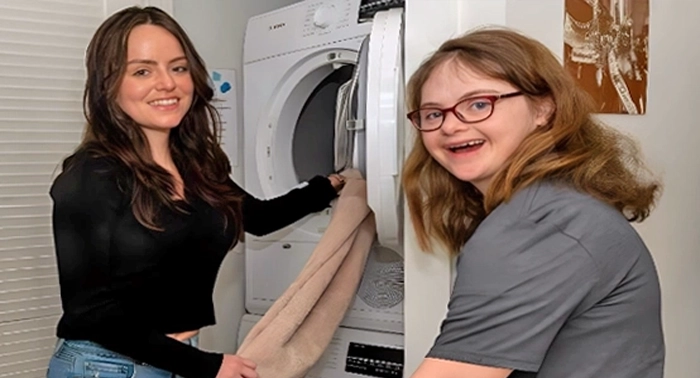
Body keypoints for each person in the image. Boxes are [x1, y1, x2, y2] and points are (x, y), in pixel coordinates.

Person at [46, 6, 345, 378]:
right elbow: (90, 313)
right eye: (142, 71)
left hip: (177, 359)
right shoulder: (90, 177)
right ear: (109, 85)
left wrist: (333, 185)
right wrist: (208, 366)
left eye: (178, 67)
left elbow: (259, 218)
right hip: (104, 367)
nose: (168, 83)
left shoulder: (198, 167)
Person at [402, 27, 664, 378]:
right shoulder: (559, 204)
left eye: (479, 104)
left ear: (543, 108)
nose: (449, 126)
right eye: (433, 114)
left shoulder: (539, 225)